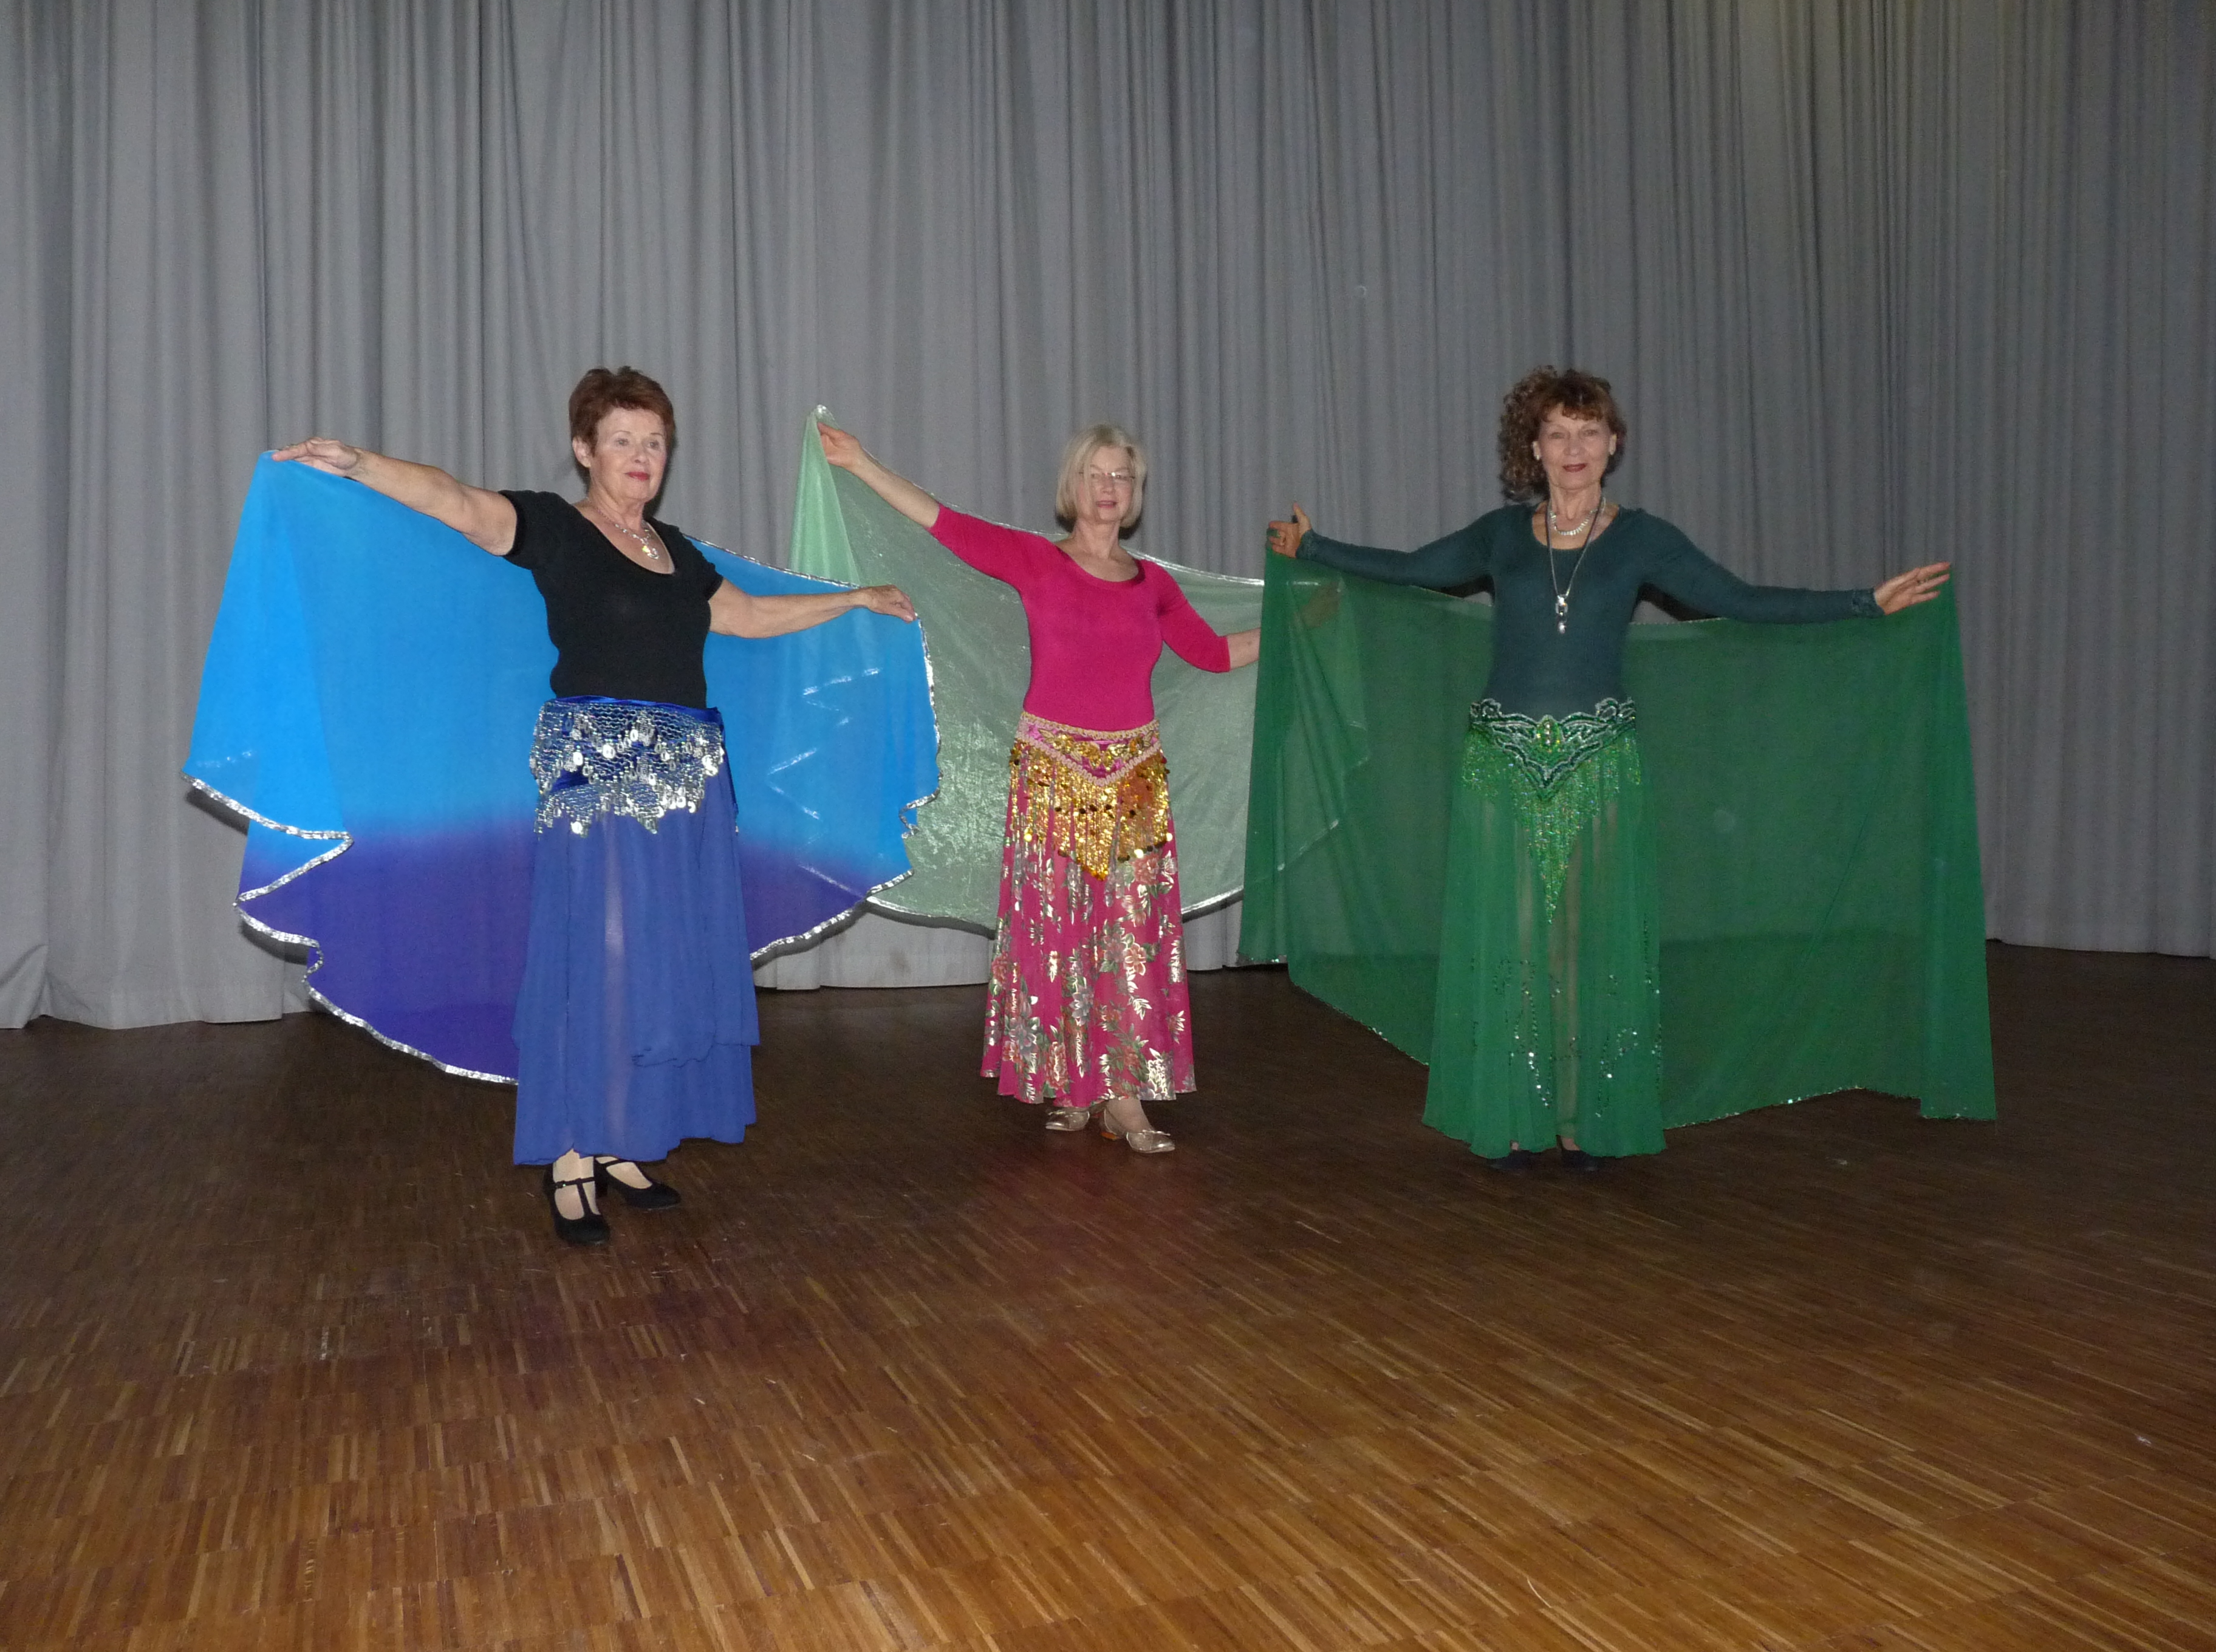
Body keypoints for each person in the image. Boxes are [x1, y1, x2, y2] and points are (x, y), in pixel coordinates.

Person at [276, 367, 914, 1243]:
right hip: (601, 783)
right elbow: (456, 502)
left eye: (654, 443)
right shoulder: (557, 529)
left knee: (659, 962)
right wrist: (359, 462)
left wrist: (856, 599)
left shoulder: (675, 550)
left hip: (688, 783)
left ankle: (621, 1138)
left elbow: (746, 618)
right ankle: (573, 1152)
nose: (641, 456)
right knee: (599, 957)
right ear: (585, 449)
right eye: (623, 441)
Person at [1268, 366, 1949, 1171]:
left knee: (1583, 946)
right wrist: (1315, 548)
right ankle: (1514, 1112)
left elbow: (1742, 600)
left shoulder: (1643, 540)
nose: (1574, 448)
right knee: (1515, 941)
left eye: (1588, 433)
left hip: (1598, 765)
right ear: (1534, 447)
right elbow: (1414, 567)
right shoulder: (1500, 536)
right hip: (1502, 765)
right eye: (1557, 434)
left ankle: (1580, 1118)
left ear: (1613, 443)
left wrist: (1865, 603)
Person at [818, 421, 1261, 1152]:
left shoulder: (1154, 585)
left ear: (1135, 493)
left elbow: (1213, 654)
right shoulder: (1037, 561)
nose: (1108, 488)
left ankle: (1123, 1098)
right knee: (1058, 936)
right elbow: (943, 522)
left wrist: (1294, 627)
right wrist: (862, 463)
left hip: (1133, 782)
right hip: (1053, 774)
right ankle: (1072, 1085)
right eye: (1096, 474)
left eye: (1121, 477)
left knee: (1128, 938)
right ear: (1073, 487)